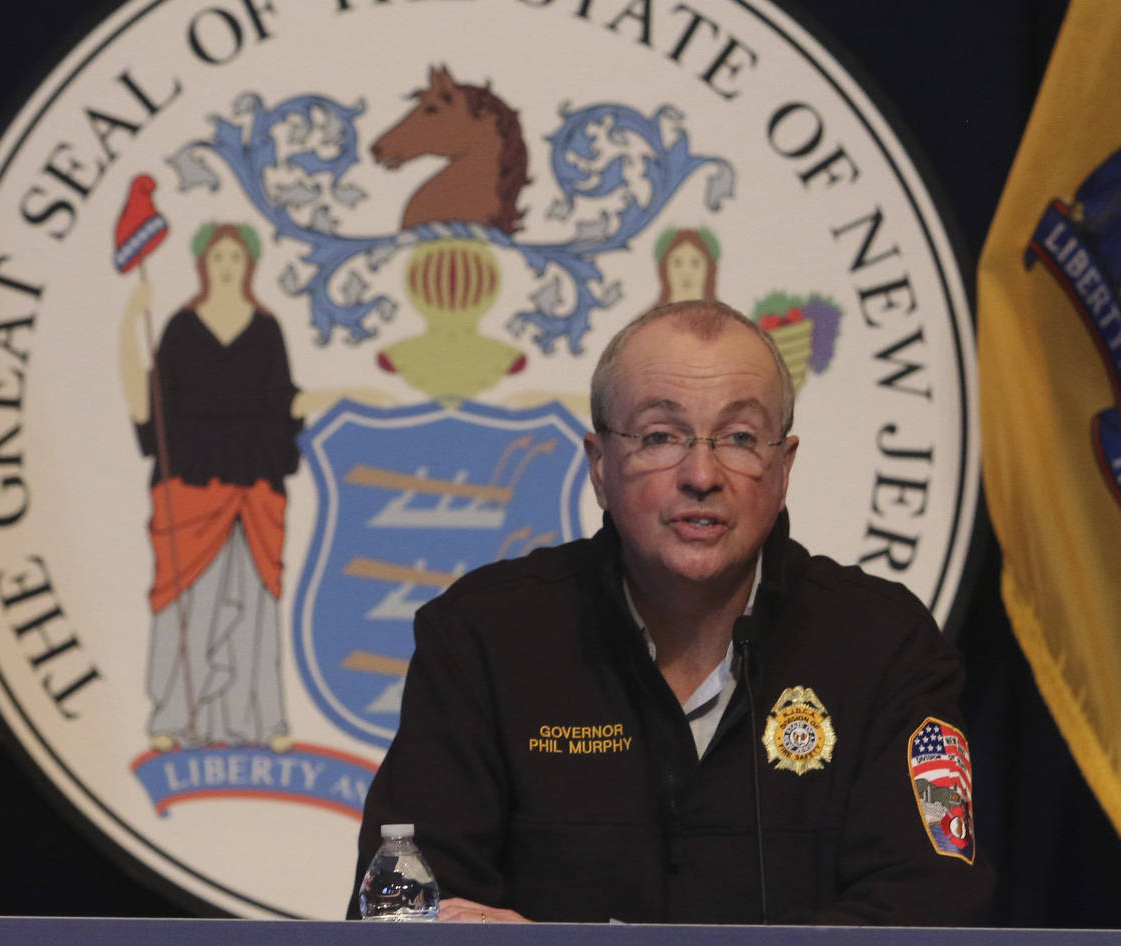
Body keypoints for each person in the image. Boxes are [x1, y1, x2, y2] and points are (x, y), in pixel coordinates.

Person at [348, 299, 993, 924]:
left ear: (783, 466)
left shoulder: (883, 644)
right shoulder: (485, 639)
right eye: (661, 436)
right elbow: (407, 908)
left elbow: (932, 907)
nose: (702, 473)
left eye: (739, 437)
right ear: (599, 466)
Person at [120, 221, 312, 752]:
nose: (227, 266)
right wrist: (129, 323)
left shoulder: (267, 329)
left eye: (235, 257)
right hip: (192, 490)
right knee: (189, 605)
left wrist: (340, 397)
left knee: (254, 605)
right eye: (218, 257)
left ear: (249, 266)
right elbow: (147, 407)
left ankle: (260, 720)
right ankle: (173, 717)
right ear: (203, 264)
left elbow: (284, 403)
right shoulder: (180, 328)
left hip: (253, 488)